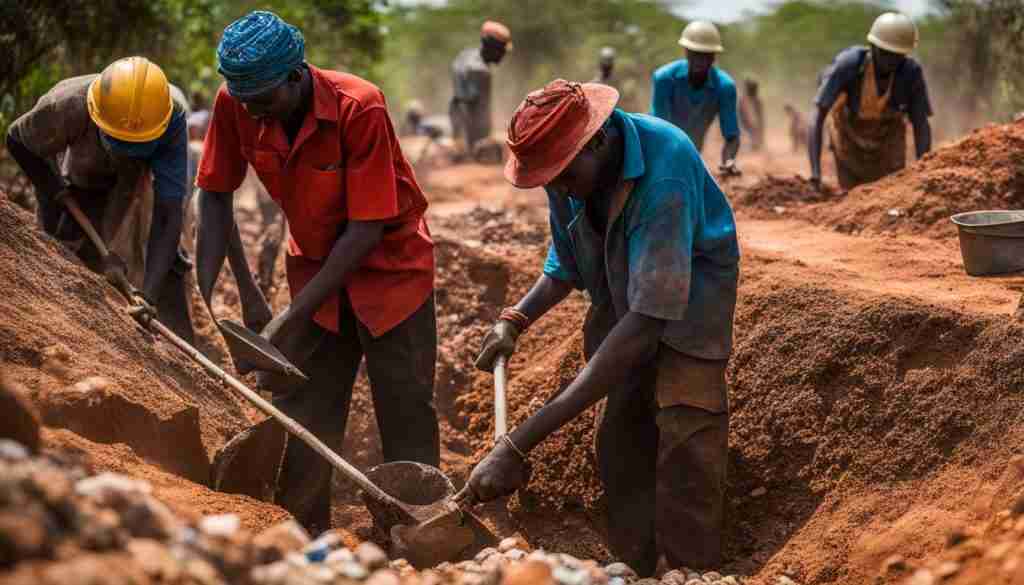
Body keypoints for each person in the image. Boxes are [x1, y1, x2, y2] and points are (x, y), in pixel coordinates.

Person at [460, 79, 739, 574]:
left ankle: (690, 571)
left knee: (685, 447)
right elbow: (564, 264)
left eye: (564, 177)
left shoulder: (664, 168)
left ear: (597, 140)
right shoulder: (566, 172)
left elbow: (648, 320)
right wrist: (514, 320)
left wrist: (517, 442)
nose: (559, 188)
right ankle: (635, 566)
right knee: (617, 442)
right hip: (619, 297)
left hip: (687, 308)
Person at [194, 11, 439, 533]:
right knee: (306, 410)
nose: (254, 114)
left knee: (405, 409)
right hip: (313, 272)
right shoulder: (238, 101)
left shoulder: (359, 107)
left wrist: (288, 320)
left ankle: (417, 534)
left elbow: (367, 229)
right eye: (244, 102)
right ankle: (304, 534)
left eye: (263, 101)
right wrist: (212, 295)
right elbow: (215, 193)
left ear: (296, 75)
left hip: (391, 275)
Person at [6, 57, 195, 341]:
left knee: (164, 260)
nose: (126, 153)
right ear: (96, 118)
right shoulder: (66, 104)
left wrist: (149, 296)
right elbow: (17, 139)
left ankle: (173, 332)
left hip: (133, 183)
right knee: (63, 247)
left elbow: (168, 213)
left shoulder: (171, 121)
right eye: (120, 144)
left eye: (136, 146)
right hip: (76, 180)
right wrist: (54, 189)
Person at [809, 12, 932, 190]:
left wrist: (924, 172)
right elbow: (817, 115)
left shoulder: (911, 73)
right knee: (851, 198)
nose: (891, 61)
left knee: (891, 195)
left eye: (897, 55)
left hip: (888, 148)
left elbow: (921, 124)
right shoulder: (849, 65)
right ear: (872, 47)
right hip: (848, 143)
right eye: (885, 53)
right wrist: (815, 173)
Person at [651, 21, 741, 175]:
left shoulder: (725, 87)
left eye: (706, 55)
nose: (700, 60)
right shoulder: (664, 79)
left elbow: (731, 135)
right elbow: (660, 129)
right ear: (686, 52)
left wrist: (728, 161)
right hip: (657, 148)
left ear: (714, 57)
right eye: (695, 54)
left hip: (692, 153)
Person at [449, 21, 512, 161]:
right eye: (501, 50)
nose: (503, 55)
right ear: (491, 48)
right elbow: (467, 105)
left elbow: (456, 100)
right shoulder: (480, 71)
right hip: (471, 143)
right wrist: (474, 142)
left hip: (459, 135)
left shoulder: (465, 55)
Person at [738, 78, 764, 151]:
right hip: (744, 124)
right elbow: (746, 115)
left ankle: (754, 144)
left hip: (748, 125)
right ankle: (753, 144)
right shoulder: (743, 100)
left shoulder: (756, 101)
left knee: (751, 134)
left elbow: (759, 117)